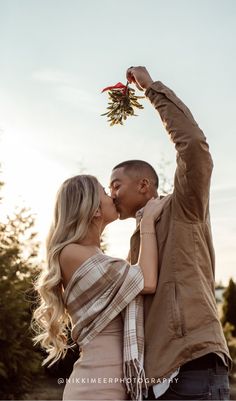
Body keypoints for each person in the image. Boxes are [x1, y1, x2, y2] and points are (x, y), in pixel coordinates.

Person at [109, 66, 232, 400]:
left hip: (192, 367)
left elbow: (193, 144)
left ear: (145, 185)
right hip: (154, 381)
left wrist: (151, 88)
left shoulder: (183, 206)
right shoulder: (138, 239)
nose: (112, 194)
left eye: (117, 184)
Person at [33, 174, 168, 401]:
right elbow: (145, 280)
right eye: (105, 192)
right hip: (95, 388)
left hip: (110, 385)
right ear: (94, 210)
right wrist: (146, 223)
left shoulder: (97, 257)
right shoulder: (70, 253)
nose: (112, 196)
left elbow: (133, 275)